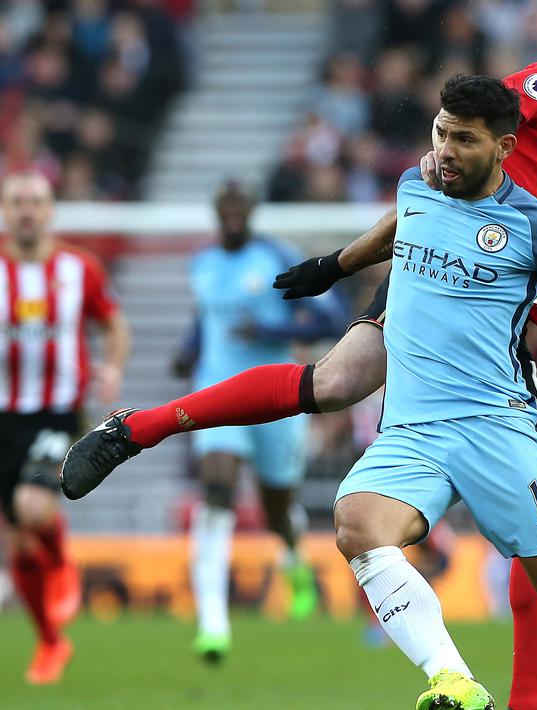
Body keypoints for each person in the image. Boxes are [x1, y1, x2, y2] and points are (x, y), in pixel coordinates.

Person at [62, 18, 537, 709]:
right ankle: (137, 429)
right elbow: (443, 162)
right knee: (339, 382)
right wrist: (337, 263)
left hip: (513, 331)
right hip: (448, 281)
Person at [338, 75, 537, 710]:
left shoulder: (535, 226)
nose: (445, 149)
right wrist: (332, 268)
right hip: (416, 429)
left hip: (498, 424)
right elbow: (388, 233)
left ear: (505, 147)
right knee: (358, 524)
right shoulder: (415, 185)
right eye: (441, 133)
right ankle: (454, 683)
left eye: (465, 140)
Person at [0, 171, 131, 685]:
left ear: (49, 211)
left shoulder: (78, 269)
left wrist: (112, 366)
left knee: (32, 507)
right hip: (3, 417)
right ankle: (49, 642)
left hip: (60, 411)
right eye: (17, 202)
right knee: (17, 541)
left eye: (35, 202)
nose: (26, 211)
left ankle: (62, 559)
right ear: (3, 211)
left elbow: (114, 323)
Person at [176, 180, 344, 663]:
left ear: (251, 210)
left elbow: (331, 319)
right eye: (223, 205)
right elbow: (206, 321)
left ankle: (292, 559)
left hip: (274, 397)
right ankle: (213, 624)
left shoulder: (277, 258)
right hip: (216, 396)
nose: (231, 212)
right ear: (216, 210)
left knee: (276, 510)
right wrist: (188, 353)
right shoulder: (202, 263)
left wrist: (271, 329)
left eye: (239, 205)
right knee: (217, 489)